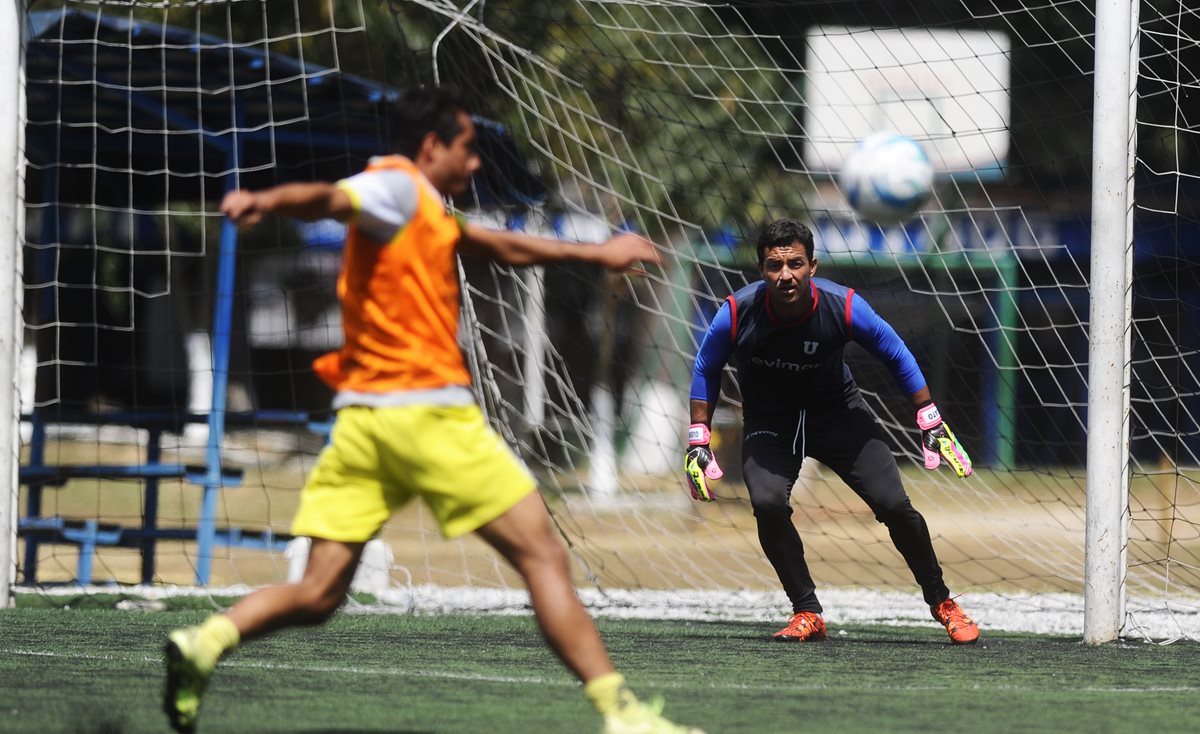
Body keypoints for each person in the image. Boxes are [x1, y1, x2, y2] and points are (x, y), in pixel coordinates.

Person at [162, 86, 703, 734]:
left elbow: (501, 248)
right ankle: (623, 717)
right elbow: (335, 198)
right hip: (427, 417)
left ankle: (205, 643)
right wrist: (265, 200)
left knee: (317, 594)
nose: (476, 163)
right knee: (543, 559)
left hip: (362, 425)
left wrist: (597, 253)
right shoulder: (394, 186)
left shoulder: (429, 212)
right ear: (432, 146)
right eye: (468, 148)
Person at [684, 218, 979, 645]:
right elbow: (705, 368)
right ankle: (807, 612)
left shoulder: (843, 306)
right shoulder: (737, 311)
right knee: (766, 502)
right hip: (771, 421)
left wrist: (929, 417)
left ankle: (942, 602)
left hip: (837, 414)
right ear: (761, 270)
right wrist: (698, 437)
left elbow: (896, 353)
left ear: (813, 266)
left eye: (795, 264)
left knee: (894, 504)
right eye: (774, 265)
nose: (785, 275)